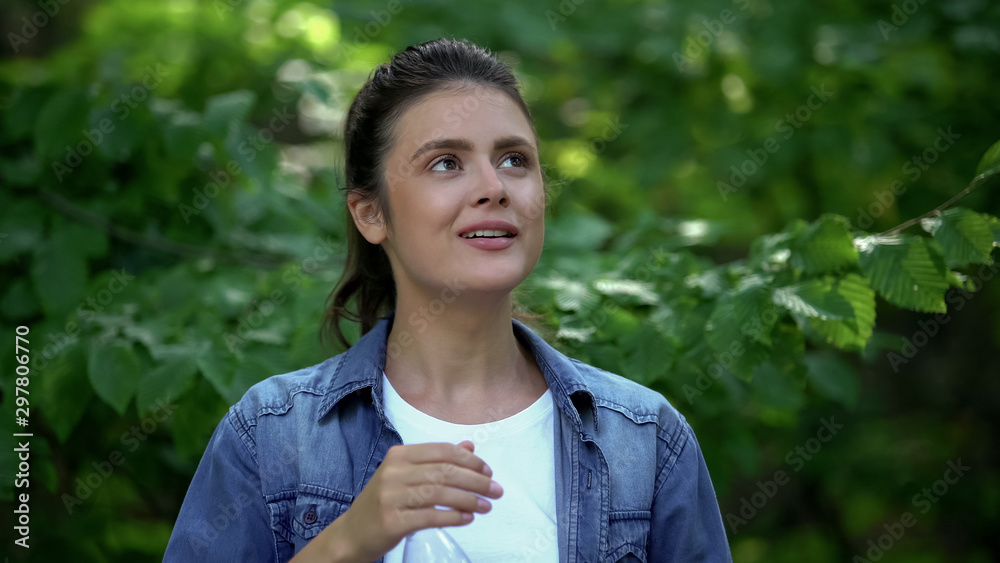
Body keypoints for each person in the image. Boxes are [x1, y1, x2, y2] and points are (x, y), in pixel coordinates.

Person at [165, 37, 731, 562]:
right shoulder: (271, 434)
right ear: (371, 212)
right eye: (446, 163)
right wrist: (346, 544)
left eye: (515, 159)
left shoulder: (645, 438)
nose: (494, 186)